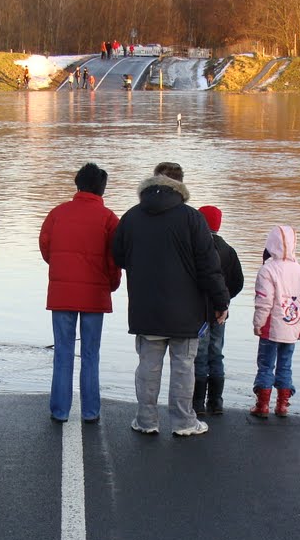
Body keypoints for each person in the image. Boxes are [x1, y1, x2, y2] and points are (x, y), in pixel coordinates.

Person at [111, 164, 229, 437]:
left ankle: (146, 419)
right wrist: (221, 301)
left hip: (145, 307)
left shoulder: (131, 217)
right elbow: (209, 267)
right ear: (181, 185)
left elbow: (118, 256)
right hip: (186, 311)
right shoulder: (192, 219)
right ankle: (184, 422)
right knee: (183, 368)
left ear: (153, 181)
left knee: (148, 368)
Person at [39, 163, 121, 423]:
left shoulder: (57, 213)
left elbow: (46, 248)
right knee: (90, 354)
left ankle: (60, 410)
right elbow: (114, 259)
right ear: (102, 187)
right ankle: (90, 411)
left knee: (63, 352)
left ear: (77, 184)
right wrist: (113, 284)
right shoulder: (109, 218)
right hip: (95, 296)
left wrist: (62, 268)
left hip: (62, 292)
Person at [250, 225, 300, 418]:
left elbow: (264, 301)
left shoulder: (268, 270)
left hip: (271, 327)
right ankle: (282, 405)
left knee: (266, 364)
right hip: (292, 326)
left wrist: (258, 323)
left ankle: (262, 405)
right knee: (285, 364)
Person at [194, 205, 244, 416]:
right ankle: (216, 401)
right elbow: (238, 282)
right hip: (221, 313)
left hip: (199, 312)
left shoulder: (197, 249)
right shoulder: (229, 251)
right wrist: (225, 301)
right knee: (216, 353)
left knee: (200, 354)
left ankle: (197, 402)